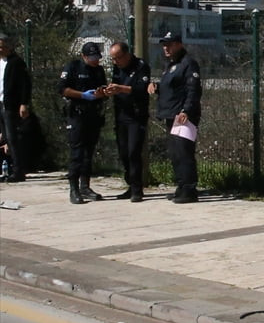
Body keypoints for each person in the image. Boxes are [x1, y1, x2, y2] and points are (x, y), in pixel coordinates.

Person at [148, 31, 202, 204]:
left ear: (179, 44)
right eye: (164, 45)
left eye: (169, 45)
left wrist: (186, 110)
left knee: (183, 152)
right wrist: (156, 87)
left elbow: (193, 91)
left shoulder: (188, 64)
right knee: (175, 153)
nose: (166, 48)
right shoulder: (171, 65)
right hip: (171, 115)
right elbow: (171, 87)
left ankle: (189, 189)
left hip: (183, 117)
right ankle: (181, 186)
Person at [58, 41, 109, 204]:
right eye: (92, 57)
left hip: (93, 115)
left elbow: (104, 89)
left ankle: (85, 186)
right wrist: (82, 95)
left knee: (89, 152)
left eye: (97, 57)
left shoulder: (99, 70)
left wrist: (102, 93)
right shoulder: (73, 67)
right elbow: (62, 89)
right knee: (77, 152)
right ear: (83, 56)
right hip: (77, 114)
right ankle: (74, 189)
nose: (95, 60)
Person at [105, 41, 152, 202]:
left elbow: (142, 90)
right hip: (121, 115)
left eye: (117, 58)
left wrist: (122, 89)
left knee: (133, 152)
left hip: (136, 116)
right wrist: (110, 90)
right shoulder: (117, 68)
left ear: (126, 55)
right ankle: (130, 184)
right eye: (112, 59)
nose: (115, 62)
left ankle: (137, 189)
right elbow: (115, 85)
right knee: (124, 153)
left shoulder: (141, 66)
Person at [0, 34, 34, 182]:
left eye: (2, 46)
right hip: (0, 102)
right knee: (5, 138)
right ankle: (8, 167)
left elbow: (25, 84)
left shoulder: (16, 63)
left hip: (10, 105)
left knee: (12, 138)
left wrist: (23, 103)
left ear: (8, 47)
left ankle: (19, 170)